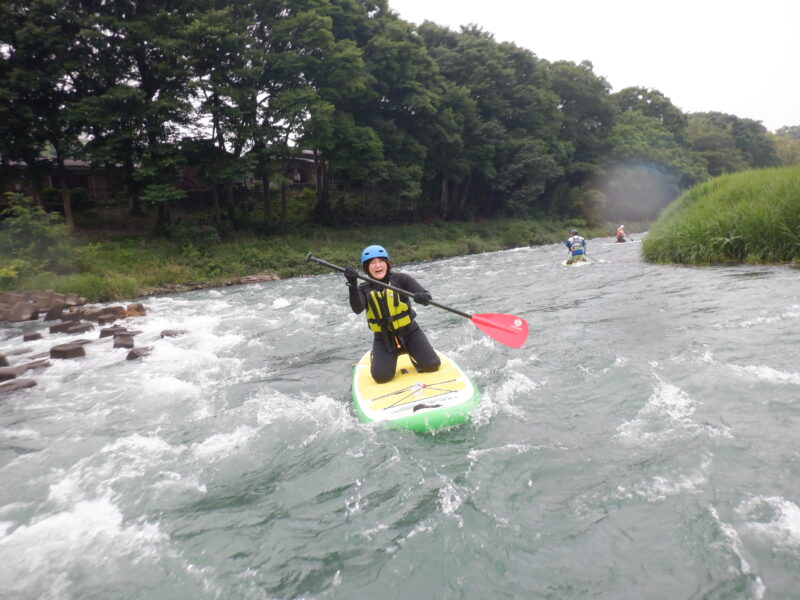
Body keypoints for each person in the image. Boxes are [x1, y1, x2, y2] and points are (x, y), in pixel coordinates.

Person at [344, 245, 441, 383]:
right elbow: (357, 309)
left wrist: (423, 297)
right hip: (383, 338)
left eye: (380, 261)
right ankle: (377, 356)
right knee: (381, 377)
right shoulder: (364, 288)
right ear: (366, 268)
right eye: (372, 262)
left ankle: (415, 352)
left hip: (410, 332)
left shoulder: (401, 279)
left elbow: (427, 297)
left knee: (432, 365)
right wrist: (352, 285)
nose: (377, 265)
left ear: (387, 263)